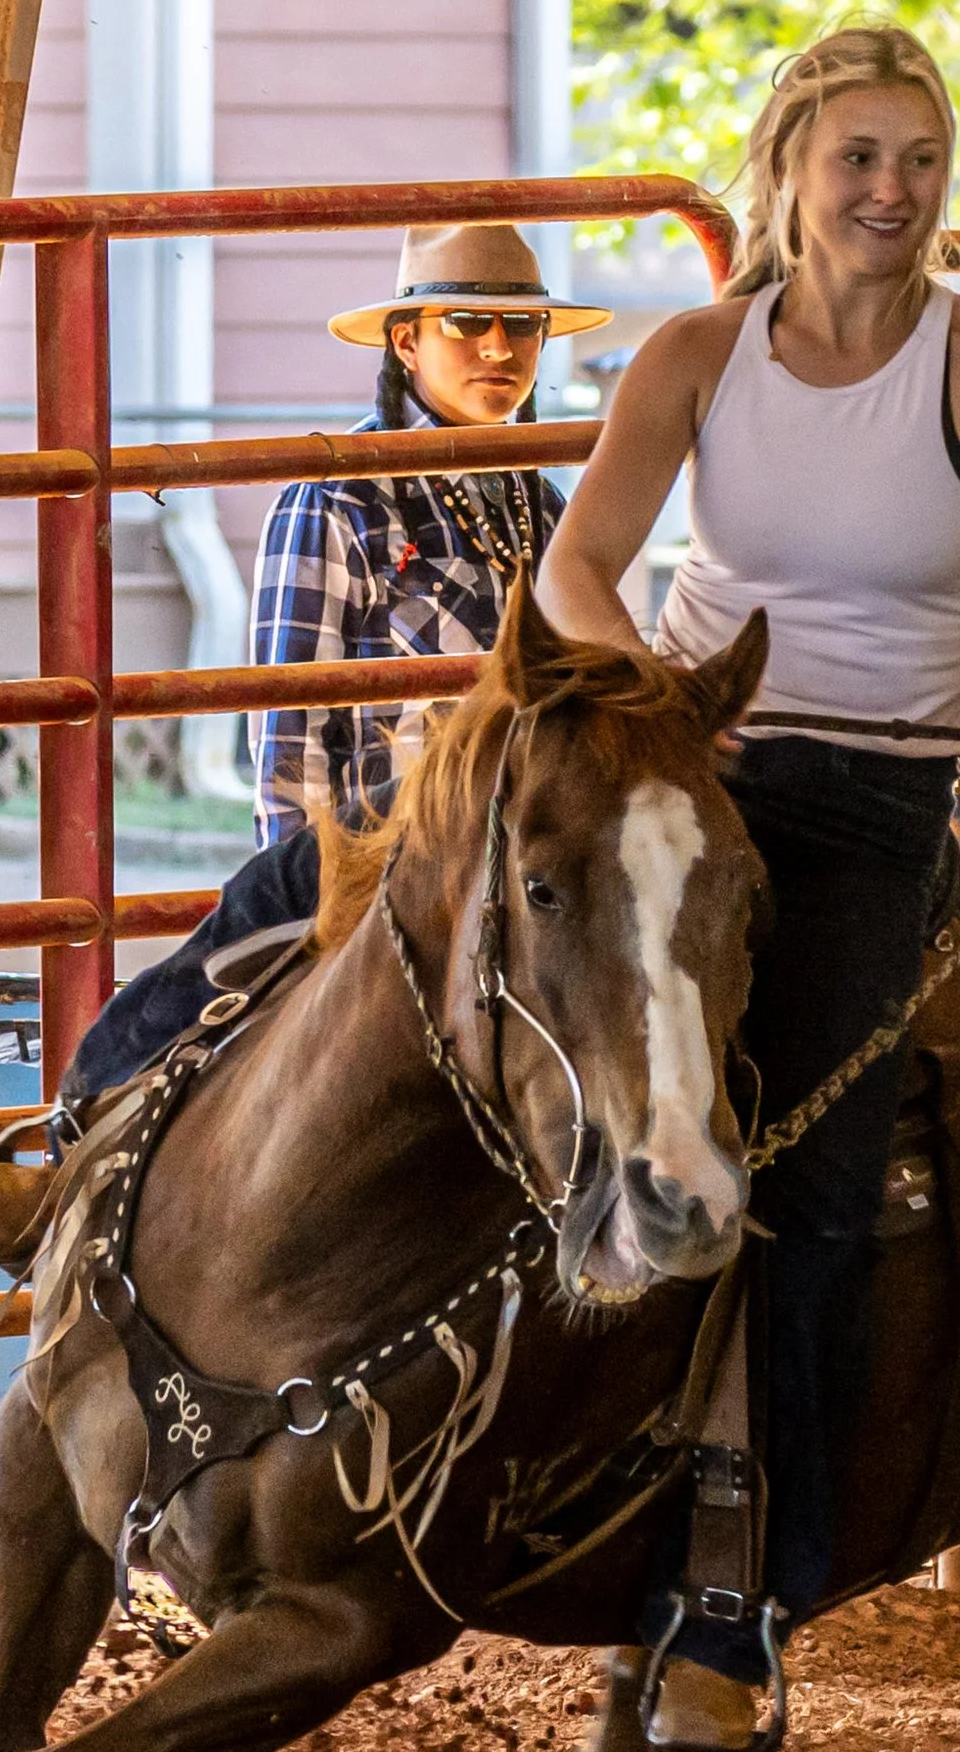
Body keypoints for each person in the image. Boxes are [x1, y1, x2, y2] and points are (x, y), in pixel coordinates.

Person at [534, 26, 960, 1747]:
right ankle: (105, 1142)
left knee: (810, 1171)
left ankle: (747, 1597)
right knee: (431, 934)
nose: (892, 191)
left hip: (876, 800)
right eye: (859, 158)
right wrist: (651, 703)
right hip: (683, 771)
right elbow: (582, 566)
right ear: (791, 171)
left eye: (920, 161)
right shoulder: (697, 355)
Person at [54, 224, 611, 1103]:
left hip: (515, 870)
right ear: (407, 342)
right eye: (467, 323)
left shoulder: (539, 502)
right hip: (391, 870)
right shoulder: (337, 499)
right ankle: (91, 1119)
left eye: (523, 326)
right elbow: (292, 736)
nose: (499, 349)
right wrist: (312, 907)